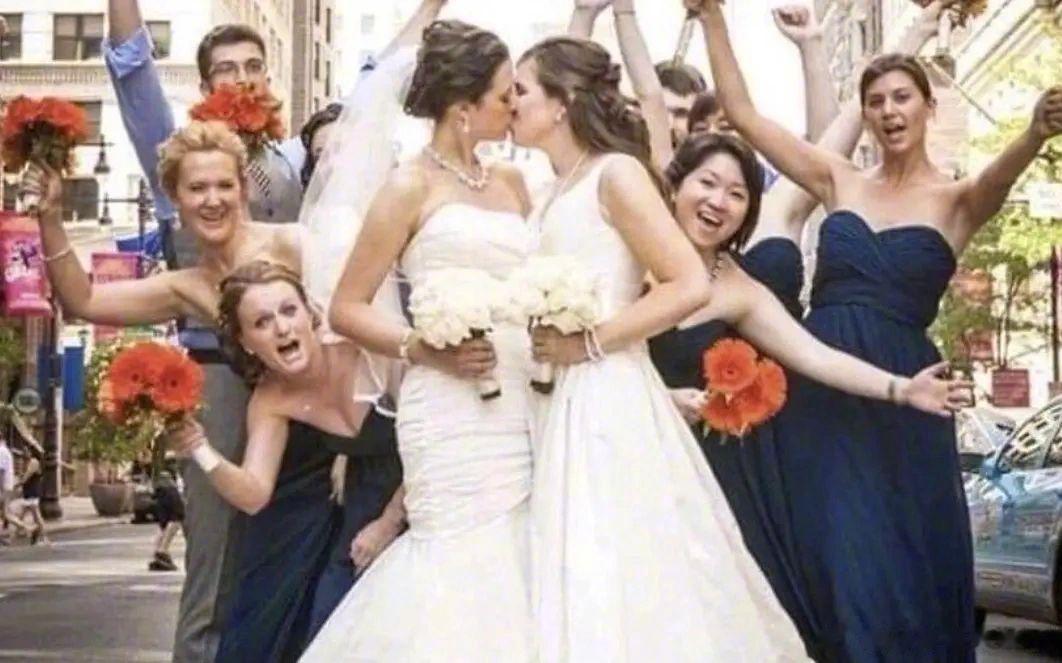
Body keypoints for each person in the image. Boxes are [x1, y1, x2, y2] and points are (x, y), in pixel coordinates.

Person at [510, 35, 969, 661]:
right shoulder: (619, 240)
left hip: (702, 467)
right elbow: (646, 105)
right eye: (707, 183)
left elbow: (814, 356)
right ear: (673, 186)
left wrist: (901, 387)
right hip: (594, 430)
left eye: (737, 195)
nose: (719, 203)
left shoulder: (736, 285)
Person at [693, 0, 1062, 658]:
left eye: (902, 97)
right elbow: (743, 114)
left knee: (897, 565)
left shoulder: (958, 200)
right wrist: (713, 16)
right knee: (830, 556)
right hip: (820, 389)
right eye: (876, 101)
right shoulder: (838, 178)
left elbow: (1006, 170)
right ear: (864, 114)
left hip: (905, 402)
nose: (889, 111)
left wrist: (1035, 130)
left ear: (928, 107)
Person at [301, 20, 537, 661]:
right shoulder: (408, 186)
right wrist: (423, 348)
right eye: (504, 94)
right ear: (464, 108)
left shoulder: (513, 184)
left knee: (521, 554)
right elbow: (347, 307)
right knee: (459, 552)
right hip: (448, 403)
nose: (514, 104)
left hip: (521, 397)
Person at [161, 261, 404, 660]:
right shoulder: (271, 399)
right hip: (365, 509)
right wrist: (200, 449)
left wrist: (389, 523)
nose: (281, 328)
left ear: (311, 314)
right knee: (327, 625)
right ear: (245, 342)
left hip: (422, 489)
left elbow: (435, 440)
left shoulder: (365, 351)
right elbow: (254, 493)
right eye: (262, 322)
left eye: (289, 311)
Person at [149, 463, 185, 572]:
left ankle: (158, 551)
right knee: (176, 518)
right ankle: (162, 551)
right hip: (170, 486)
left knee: (164, 524)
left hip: (160, 487)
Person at [13, 449, 49, 546]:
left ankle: (43, 537)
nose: (24, 453)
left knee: (36, 517)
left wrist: (16, 485)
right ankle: (15, 537)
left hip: (32, 492)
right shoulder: (29, 462)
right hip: (28, 492)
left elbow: (26, 477)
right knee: (22, 515)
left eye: (27, 451)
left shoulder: (34, 462)